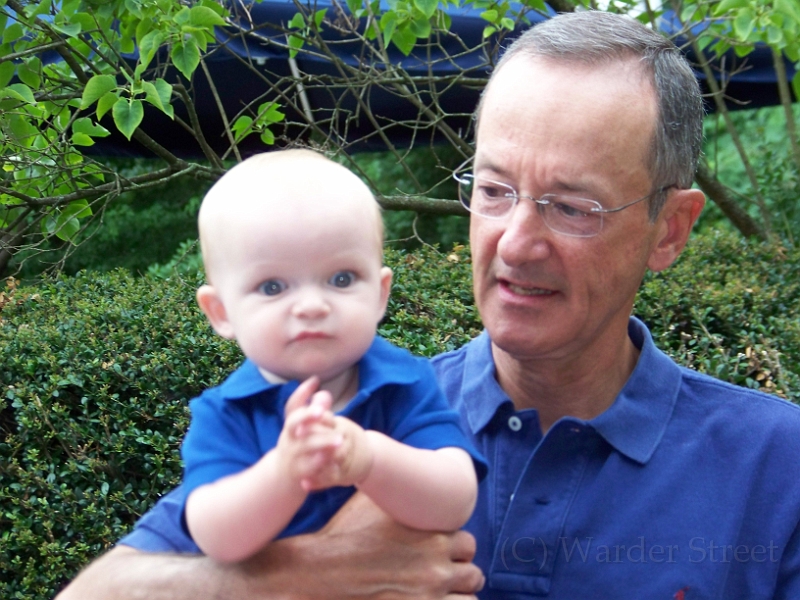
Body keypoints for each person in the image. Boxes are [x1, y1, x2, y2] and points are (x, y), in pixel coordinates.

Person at [57, 10, 800, 600]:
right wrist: (297, 577)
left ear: (669, 230)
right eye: (495, 190)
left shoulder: (776, 468)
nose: (515, 243)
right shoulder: (344, 403)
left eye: (572, 207)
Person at [179, 149, 484, 563]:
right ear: (221, 312)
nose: (311, 305)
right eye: (272, 287)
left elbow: (456, 500)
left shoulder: (405, 384)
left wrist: (369, 458)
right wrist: (284, 473)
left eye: (341, 279)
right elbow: (216, 538)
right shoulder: (226, 414)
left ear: (380, 295)